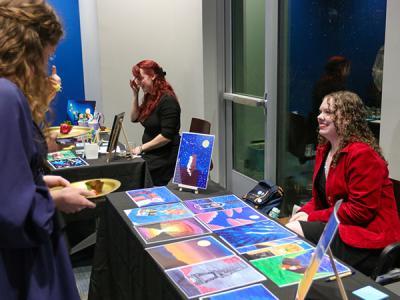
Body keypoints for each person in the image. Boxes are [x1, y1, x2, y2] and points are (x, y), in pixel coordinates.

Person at [0, 1, 96, 299]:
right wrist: (54, 200)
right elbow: (10, 211)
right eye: (48, 52)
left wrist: (36, 184)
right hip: (21, 266)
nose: (47, 62)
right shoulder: (6, 96)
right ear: (30, 44)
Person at [286, 91, 400, 276]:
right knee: (293, 224)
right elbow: (320, 198)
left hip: (367, 238)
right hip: (342, 226)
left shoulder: (363, 155)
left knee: (293, 232)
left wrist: (312, 217)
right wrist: (305, 212)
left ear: (347, 119)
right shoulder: (325, 149)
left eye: (328, 112)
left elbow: (359, 211)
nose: (319, 116)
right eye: (320, 111)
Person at [129, 60, 181, 186]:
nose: (138, 83)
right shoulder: (150, 97)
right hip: (152, 154)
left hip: (164, 157)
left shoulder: (167, 100)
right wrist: (135, 94)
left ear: (153, 76)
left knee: (133, 177)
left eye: (141, 78)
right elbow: (134, 118)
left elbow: (166, 136)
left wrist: (141, 148)